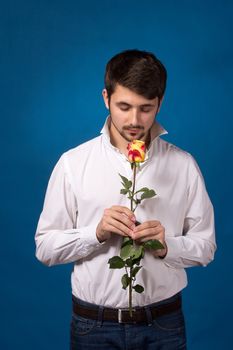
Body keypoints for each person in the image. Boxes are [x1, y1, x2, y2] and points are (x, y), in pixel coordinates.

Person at [35, 49, 216, 349]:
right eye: (124, 106)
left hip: (163, 324)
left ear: (160, 103)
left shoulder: (183, 165)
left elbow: (206, 247)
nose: (135, 120)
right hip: (93, 326)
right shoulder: (73, 163)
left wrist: (167, 246)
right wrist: (95, 233)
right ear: (105, 98)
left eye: (146, 108)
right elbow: (45, 247)